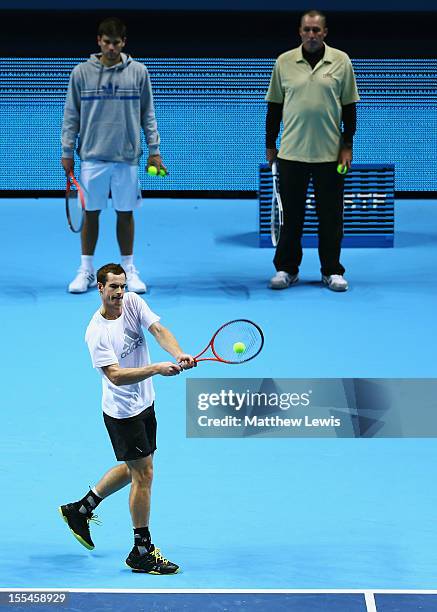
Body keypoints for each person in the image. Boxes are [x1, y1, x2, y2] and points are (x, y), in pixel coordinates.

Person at [59, 262, 195, 574]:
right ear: (100, 288)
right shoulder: (97, 332)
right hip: (123, 413)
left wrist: (177, 353)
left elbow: (158, 330)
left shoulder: (133, 302)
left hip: (145, 403)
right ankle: (141, 550)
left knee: (136, 466)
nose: (120, 293)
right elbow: (117, 376)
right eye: (113, 287)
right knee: (144, 474)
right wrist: (157, 368)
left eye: (123, 286)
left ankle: (80, 510)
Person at [61, 17, 166, 294]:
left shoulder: (139, 72)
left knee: (125, 213)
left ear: (123, 43)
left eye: (115, 43)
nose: (110, 47)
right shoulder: (81, 73)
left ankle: (128, 270)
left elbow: (148, 115)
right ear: (99, 42)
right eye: (106, 42)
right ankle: (86, 270)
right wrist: (67, 151)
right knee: (91, 213)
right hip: (92, 157)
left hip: (126, 157)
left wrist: (154, 151)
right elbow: (71, 116)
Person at [265, 9, 360, 292]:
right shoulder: (284, 62)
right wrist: (270, 144)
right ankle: (286, 269)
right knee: (291, 217)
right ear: (300, 32)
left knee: (331, 217)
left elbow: (350, 108)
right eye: (307, 30)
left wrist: (347, 146)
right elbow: (274, 107)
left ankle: (331, 270)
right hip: (292, 154)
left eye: (316, 30)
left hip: (329, 156)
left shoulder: (341, 61)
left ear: (325, 33)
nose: (311, 35)